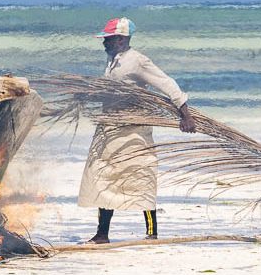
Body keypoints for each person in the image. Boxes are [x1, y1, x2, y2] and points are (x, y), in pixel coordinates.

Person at [79, 17, 196, 242]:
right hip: (110, 128)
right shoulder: (114, 60)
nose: (104, 43)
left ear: (121, 40)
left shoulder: (137, 61)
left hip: (133, 130)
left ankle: (152, 233)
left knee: (141, 176)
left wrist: (186, 115)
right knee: (103, 176)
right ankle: (102, 234)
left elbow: (167, 83)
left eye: (108, 39)